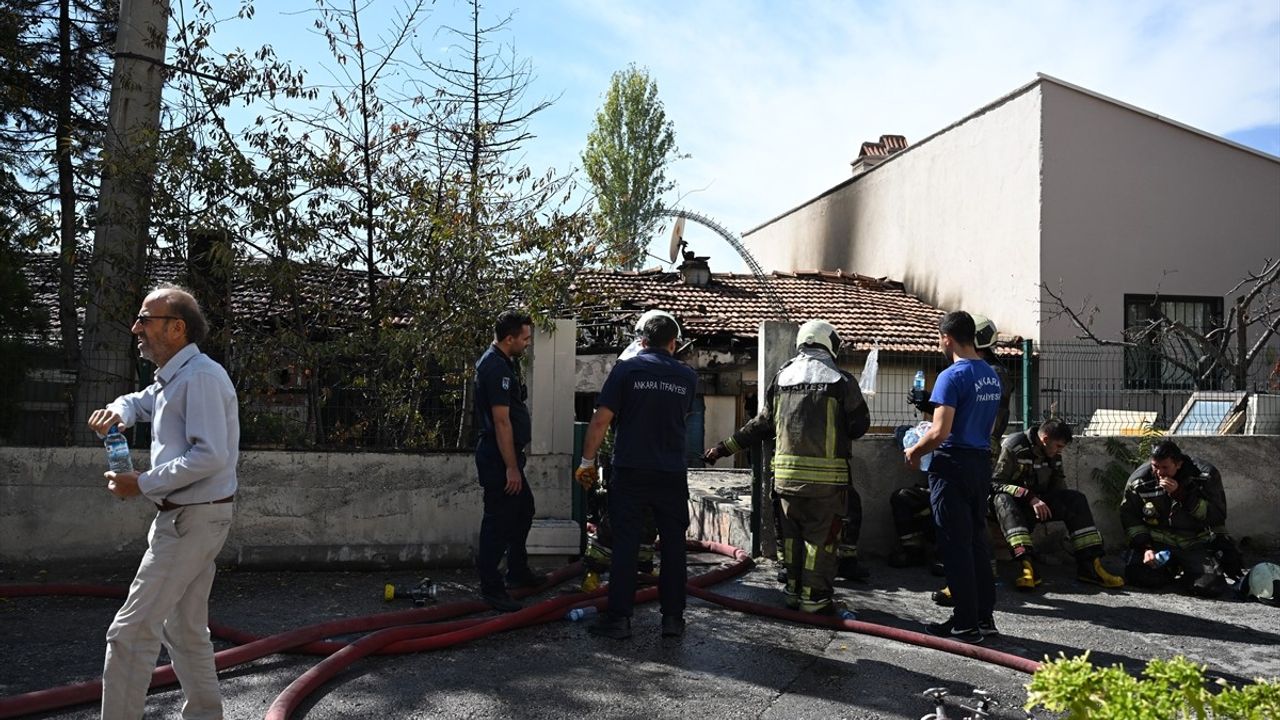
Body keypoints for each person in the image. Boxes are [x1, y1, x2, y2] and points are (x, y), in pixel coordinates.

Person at [86, 284, 238, 719]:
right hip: (189, 519)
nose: (136, 328)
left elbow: (210, 456)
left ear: (176, 328)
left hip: (191, 522)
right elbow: (141, 402)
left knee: (129, 634)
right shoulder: (175, 377)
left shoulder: (202, 378)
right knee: (184, 630)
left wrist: (142, 483)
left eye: (145, 320)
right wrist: (119, 410)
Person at [705, 320, 870, 616]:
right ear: (830, 344)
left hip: (785, 482)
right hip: (826, 486)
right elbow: (859, 426)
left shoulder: (781, 379)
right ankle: (815, 598)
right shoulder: (841, 381)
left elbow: (761, 425)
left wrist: (722, 448)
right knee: (820, 542)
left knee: (791, 539)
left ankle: (793, 593)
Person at [576, 310, 697, 639]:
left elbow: (600, 421)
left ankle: (619, 620)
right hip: (671, 473)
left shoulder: (626, 369)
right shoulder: (688, 377)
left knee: (626, 544)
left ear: (642, 341)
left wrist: (587, 462)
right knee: (673, 547)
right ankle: (673, 620)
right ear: (674, 343)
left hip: (630, 470)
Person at [905, 311, 1001, 644]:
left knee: (954, 545)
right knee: (976, 542)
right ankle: (983, 618)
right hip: (979, 462)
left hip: (952, 465)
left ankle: (964, 624)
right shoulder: (991, 374)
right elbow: (987, 427)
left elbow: (940, 431)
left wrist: (916, 450)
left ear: (946, 338)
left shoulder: (951, 375)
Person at [990, 419, 1125, 590]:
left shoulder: (1053, 453)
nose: (1060, 451)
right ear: (1045, 439)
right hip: (1010, 506)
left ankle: (1091, 566)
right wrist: (1029, 496)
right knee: (1003, 499)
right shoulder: (1014, 446)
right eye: (1059, 446)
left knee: (1075, 500)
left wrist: (1068, 513)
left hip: (1037, 504)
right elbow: (994, 483)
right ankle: (1026, 566)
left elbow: (1059, 488)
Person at [473, 310, 545, 612]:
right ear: (509, 338)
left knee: (522, 509)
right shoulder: (496, 368)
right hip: (499, 457)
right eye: (524, 338)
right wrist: (511, 467)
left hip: (503, 455)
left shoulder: (503, 362)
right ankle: (492, 588)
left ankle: (518, 573)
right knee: (498, 521)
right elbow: (501, 422)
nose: (527, 343)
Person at [1120, 439, 1236, 598]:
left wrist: (1182, 495)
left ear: (1178, 464)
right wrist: (1146, 548)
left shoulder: (1204, 476)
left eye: (1165, 467)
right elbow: (1129, 516)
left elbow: (1217, 515)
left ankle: (1190, 572)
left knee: (1210, 587)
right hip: (1157, 543)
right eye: (1155, 466)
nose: (1159, 473)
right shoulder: (1140, 481)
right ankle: (1169, 568)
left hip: (1193, 542)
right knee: (1139, 576)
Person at [887, 389, 941, 570]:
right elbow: (904, 434)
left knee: (945, 507)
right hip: (935, 487)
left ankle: (944, 556)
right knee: (902, 497)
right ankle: (913, 551)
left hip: (953, 488)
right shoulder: (930, 434)